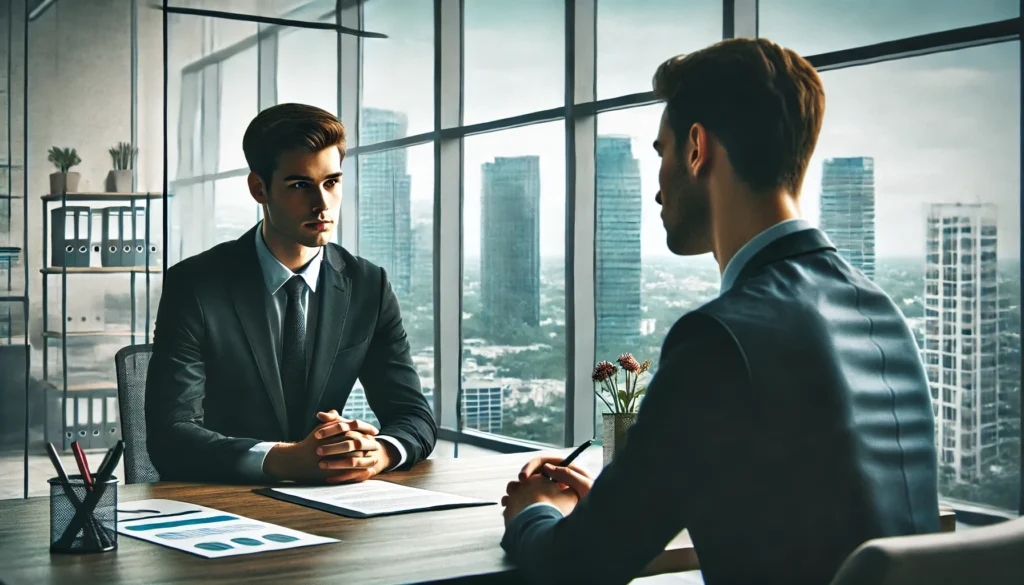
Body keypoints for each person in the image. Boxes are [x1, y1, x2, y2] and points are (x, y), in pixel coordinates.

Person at [500, 38, 940, 585]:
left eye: (661, 153)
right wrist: (625, 500)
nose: (658, 186)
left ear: (696, 148)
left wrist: (533, 511)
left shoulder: (720, 338)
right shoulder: (881, 315)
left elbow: (575, 567)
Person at [146, 103, 436, 484]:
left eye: (331, 183)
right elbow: (171, 436)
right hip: (222, 501)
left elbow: (414, 415)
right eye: (300, 185)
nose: (322, 204)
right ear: (259, 188)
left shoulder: (369, 286)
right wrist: (283, 459)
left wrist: (377, 452)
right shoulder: (196, 286)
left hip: (333, 505)